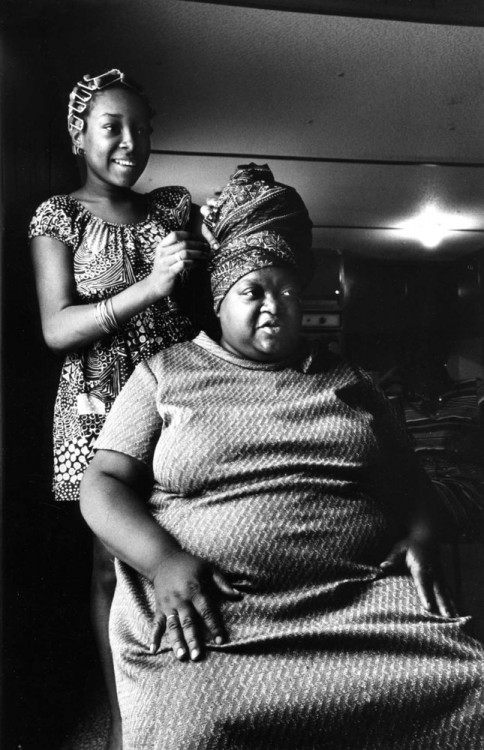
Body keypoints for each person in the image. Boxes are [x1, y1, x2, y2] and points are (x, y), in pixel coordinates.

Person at [80, 164, 484, 749]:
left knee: (471, 692)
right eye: (253, 292)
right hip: (222, 608)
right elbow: (104, 480)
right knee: (190, 729)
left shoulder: (350, 378)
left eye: (289, 291)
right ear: (219, 300)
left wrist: (421, 531)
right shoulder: (165, 373)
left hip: (355, 603)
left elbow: (407, 475)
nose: (275, 305)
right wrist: (162, 560)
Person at [29, 68, 211, 750]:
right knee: (113, 565)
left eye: (142, 129)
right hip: (96, 406)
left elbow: (196, 307)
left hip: (175, 400)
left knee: (181, 540)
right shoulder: (58, 215)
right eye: (113, 128)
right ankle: (123, 722)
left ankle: (187, 698)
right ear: (79, 134)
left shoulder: (171, 206)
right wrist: (151, 284)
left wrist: (209, 247)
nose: (130, 142)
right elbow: (57, 329)